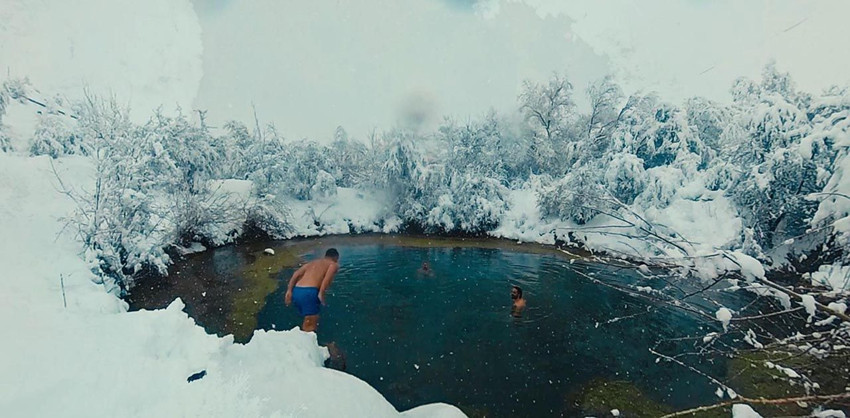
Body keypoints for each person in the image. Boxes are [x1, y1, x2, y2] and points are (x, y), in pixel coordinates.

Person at [284, 248, 340, 332]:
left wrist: (289, 291)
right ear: (336, 258)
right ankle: (305, 343)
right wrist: (321, 293)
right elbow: (326, 279)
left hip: (297, 290)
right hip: (309, 292)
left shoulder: (312, 263)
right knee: (311, 323)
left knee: (310, 318)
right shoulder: (333, 264)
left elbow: (296, 274)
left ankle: (308, 340)